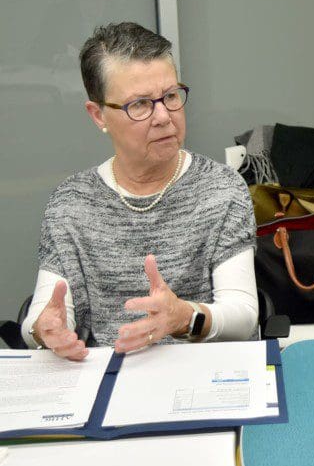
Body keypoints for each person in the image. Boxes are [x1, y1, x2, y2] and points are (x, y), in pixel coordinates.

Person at [21, 22, 259, 359]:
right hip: (110, 379)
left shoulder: (221, 189)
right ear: (98, 115)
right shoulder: (71, 204)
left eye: (171, 96)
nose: (163, 116)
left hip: (205, 376)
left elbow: (244, 313)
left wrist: (183, 317)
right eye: (141, 105)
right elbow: (44, 317)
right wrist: (45, 330)